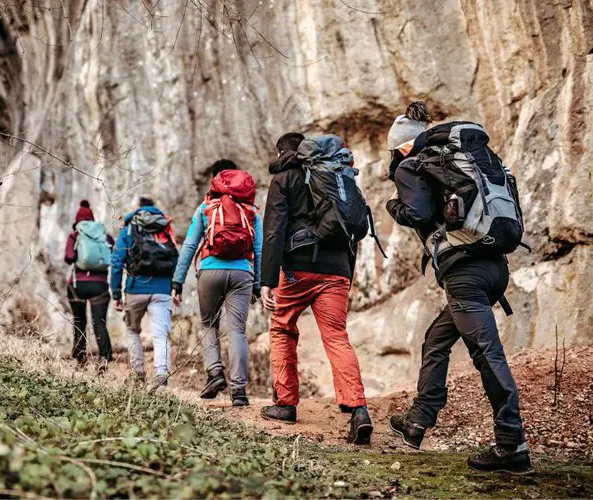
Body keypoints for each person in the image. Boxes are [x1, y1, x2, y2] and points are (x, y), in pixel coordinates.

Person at [385, 101, 531, 474]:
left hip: (465, 272)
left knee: (487, 354)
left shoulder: (412, 164)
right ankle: (419, 419)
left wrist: (393, 207)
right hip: (494, 266)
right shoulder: (470, 158)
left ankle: (511, 445)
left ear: (403, 145)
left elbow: (416, 214)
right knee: (436, 339)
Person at [258, 132, 373, 445]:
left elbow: (274, 230)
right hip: (336, 270)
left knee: (282, 329)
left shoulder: (284, 178)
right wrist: (344, 273)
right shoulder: (336, 175)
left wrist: (267, 279)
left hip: (297, 269)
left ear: (283, 151)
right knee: (336, 336)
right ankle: (358, 409)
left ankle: (285, 404)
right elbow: (348, 227)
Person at [172, 159, 263, 407]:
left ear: (216, 179)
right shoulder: (251, 210)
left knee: (208, 323)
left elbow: (190, 245)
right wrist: (259, 284)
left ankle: (214, 373)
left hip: (211, 270)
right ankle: (239, 391)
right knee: (237, 331)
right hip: (243, 273)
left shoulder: (206, 207)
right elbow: (259, 248)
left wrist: (177, 281)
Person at [111, 195, 179, 388]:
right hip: (163, 290)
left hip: (135, 288)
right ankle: (161, 375)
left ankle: (138, 374)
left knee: (132, 331)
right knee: (161, 335)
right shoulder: (165, 226)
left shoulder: (130, 228)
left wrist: (116, 293)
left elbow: (117, 262)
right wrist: (175, 287)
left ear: (137, 208)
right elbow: (176, 258)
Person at [64, 200, 114, 370]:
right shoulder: (104, 235)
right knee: (99, 322)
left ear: (78, 221)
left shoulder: (75, 235)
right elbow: (112, 254)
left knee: (79, 321)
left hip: (78, 285)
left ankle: (80, 359)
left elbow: (69, 257)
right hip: (100, 286)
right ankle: (104, 359)